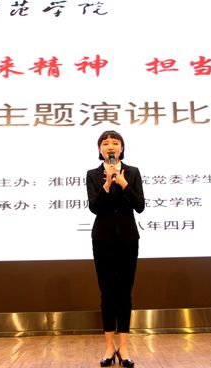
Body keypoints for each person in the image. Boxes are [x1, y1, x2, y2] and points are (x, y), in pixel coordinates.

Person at [86, 130, 145, 368]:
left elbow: (140, 206)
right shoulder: (93, 174)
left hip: (128, 239)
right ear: (100, 149)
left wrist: (123, 182)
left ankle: (124, 347)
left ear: (122, 148)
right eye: (105, 143)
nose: (110, 146)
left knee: (124, 294)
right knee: (107, 293)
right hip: (102, 239)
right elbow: (94, 207)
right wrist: (108, 183)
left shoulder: (133, 172)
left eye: (115, 142)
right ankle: (109, 347)